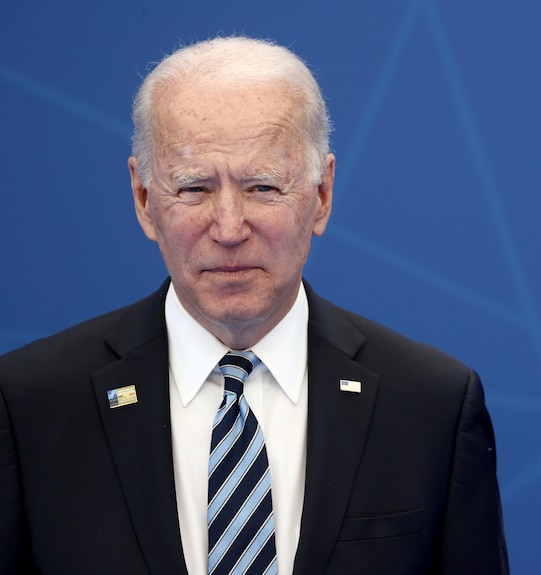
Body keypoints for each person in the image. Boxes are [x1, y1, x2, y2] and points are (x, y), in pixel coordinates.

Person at [0, 36, 508, 574]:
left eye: (262, 187)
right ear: (145, 201)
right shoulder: (30, 404)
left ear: (322, 195)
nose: (228, 227)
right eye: (193, 188)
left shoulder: (433, 405)